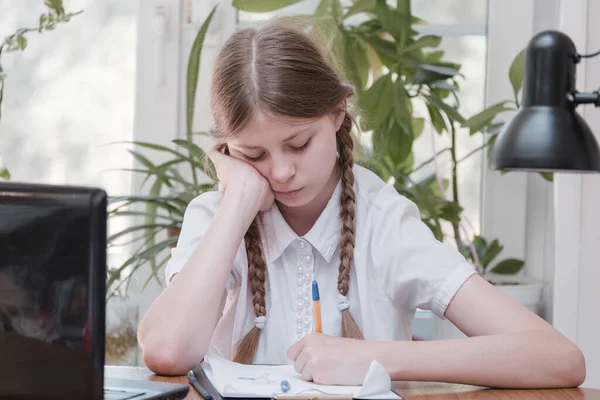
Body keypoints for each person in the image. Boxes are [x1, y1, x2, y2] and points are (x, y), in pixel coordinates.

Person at [137, 21, 586, 389]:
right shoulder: (215, 216)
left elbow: (557, 358)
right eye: (253, 155)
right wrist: (237, 201)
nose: (280, 172)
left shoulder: (384, 223)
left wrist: (376, 358)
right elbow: (167, 350)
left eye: (298, 144)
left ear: (336, 114)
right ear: (225, 150)